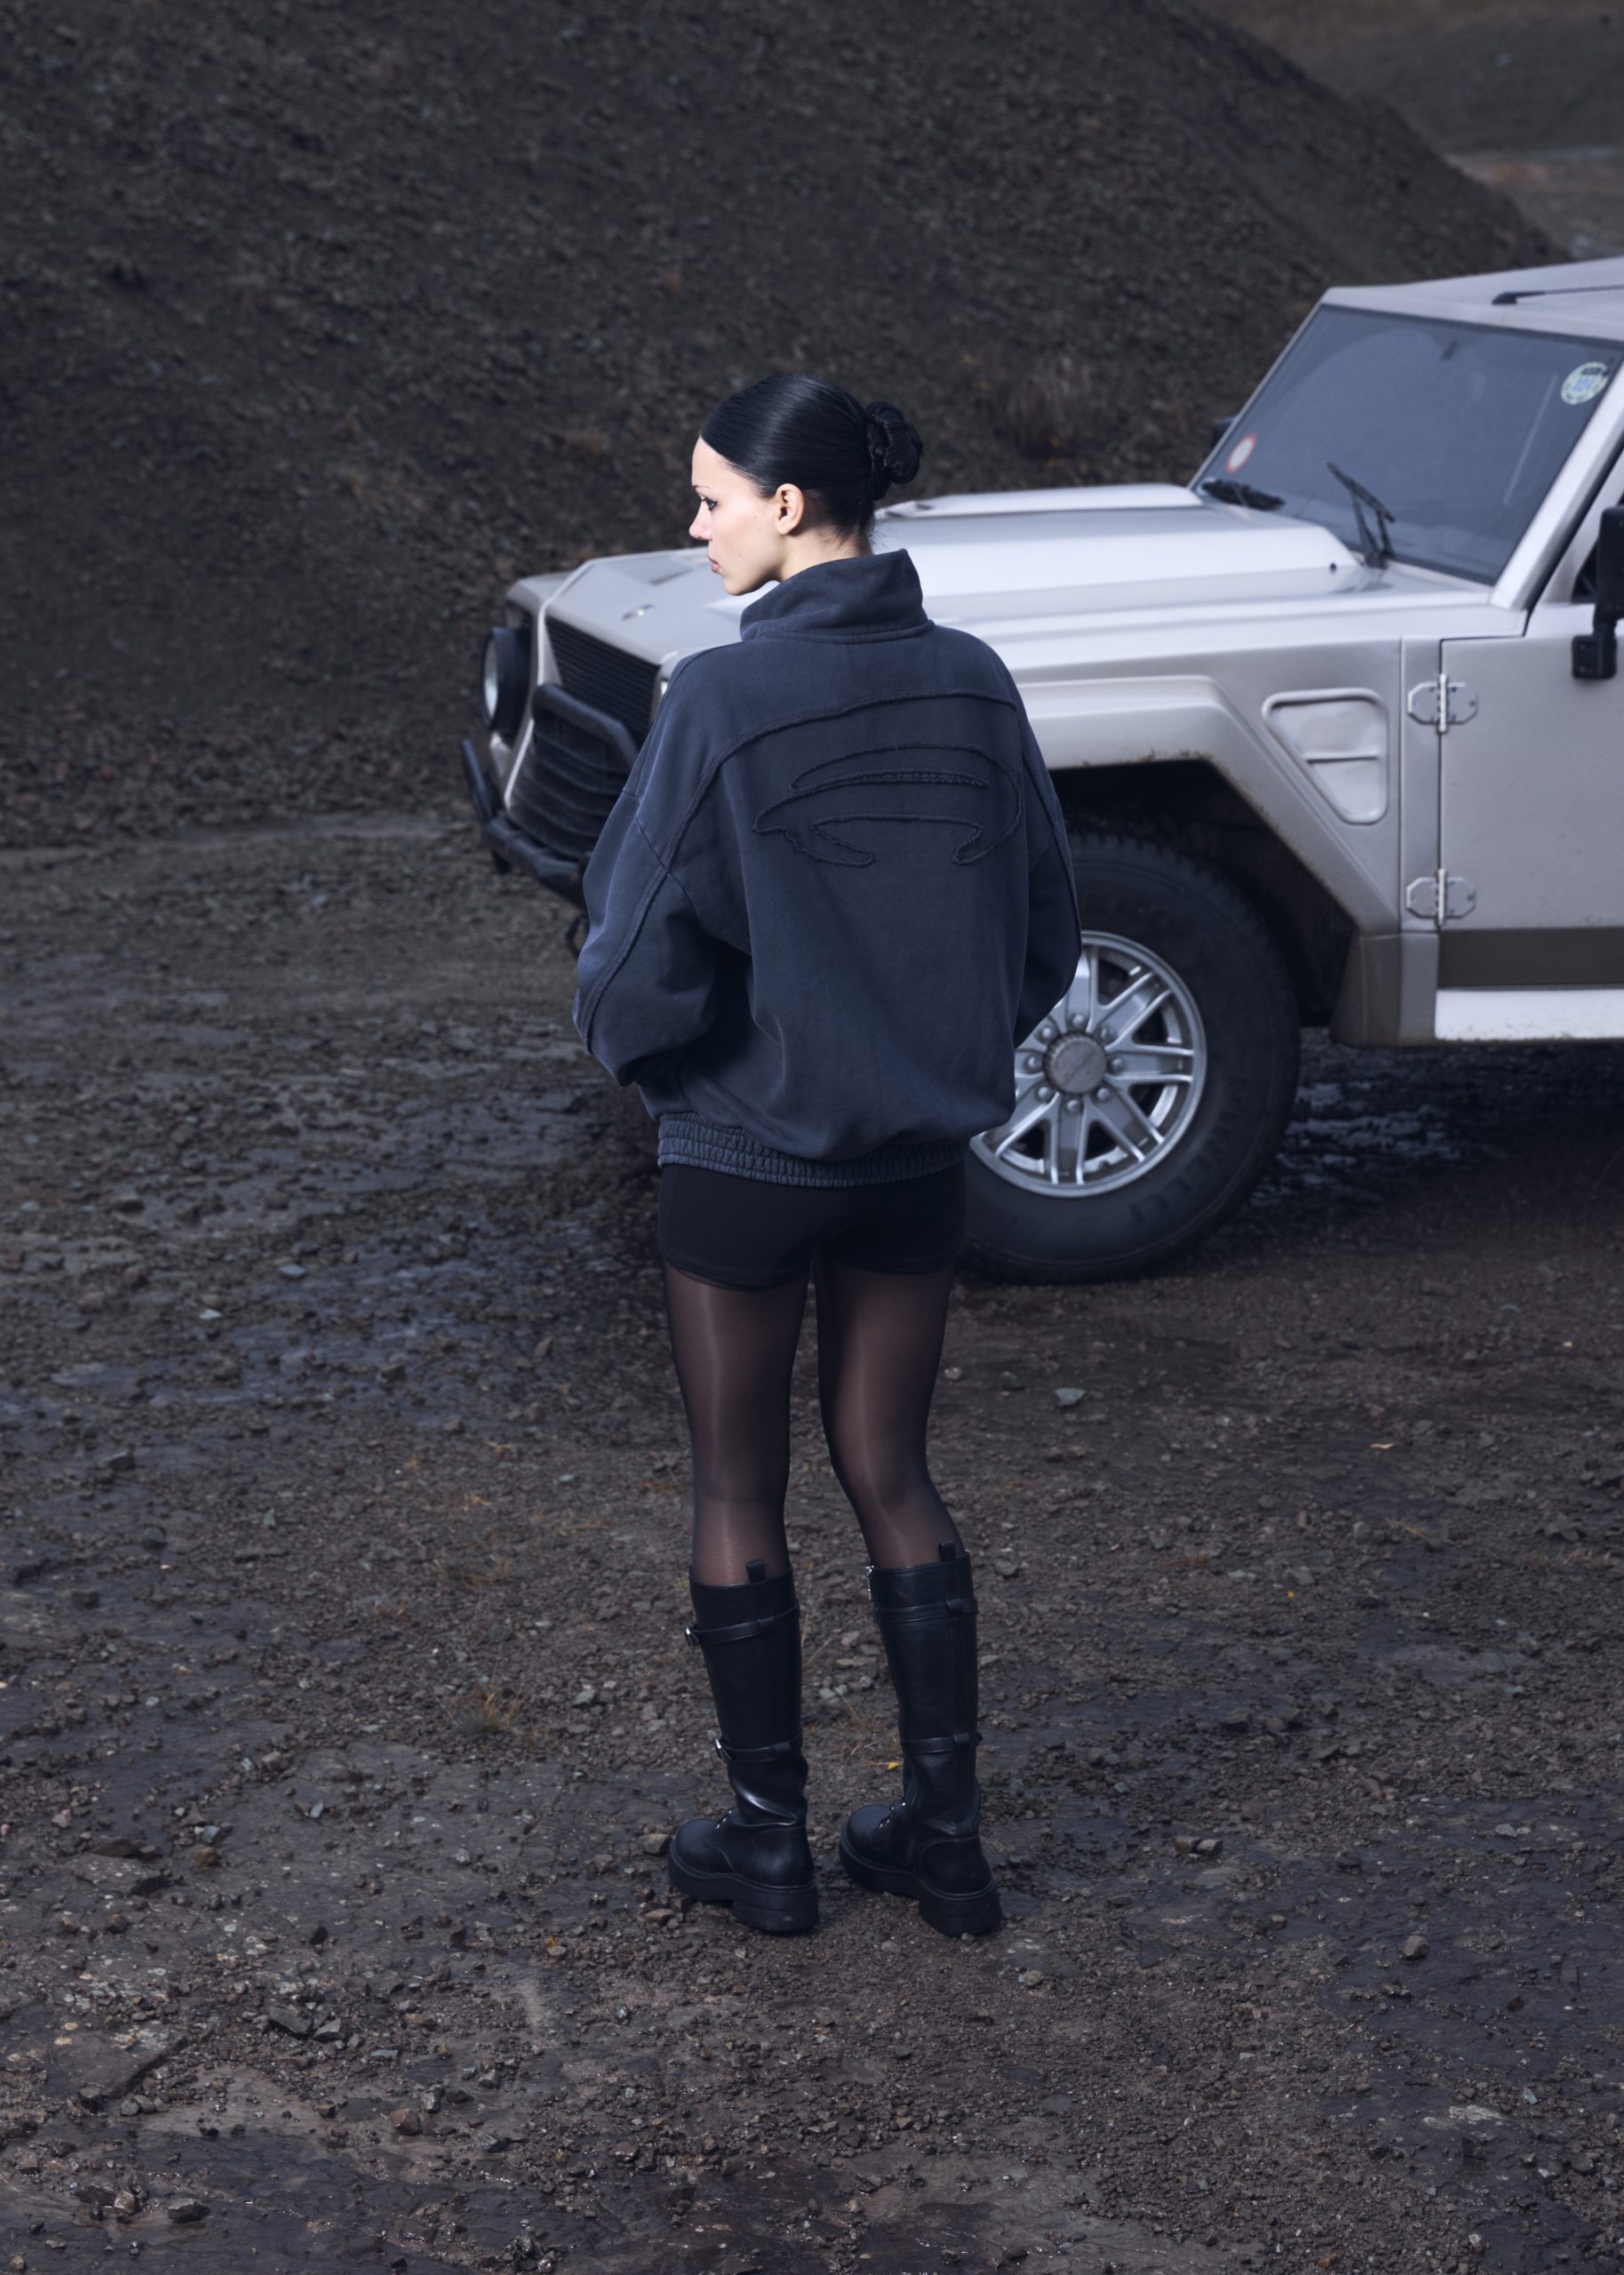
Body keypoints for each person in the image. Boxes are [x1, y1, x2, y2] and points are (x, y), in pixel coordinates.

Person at [572, 373, 1080, 1939]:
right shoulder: (976, 684)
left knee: (740, 1485)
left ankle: (771, 1849)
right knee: (893, 1471)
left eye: (711, 497)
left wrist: (670, 1072)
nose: (695, 525)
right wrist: (927, 1055)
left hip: (743, 1163)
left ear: (788, 508)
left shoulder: (718, 699)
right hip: (913, 1167)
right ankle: (947, 1845)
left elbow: (634, 962)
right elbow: (1045, 933)